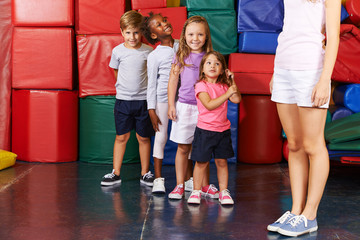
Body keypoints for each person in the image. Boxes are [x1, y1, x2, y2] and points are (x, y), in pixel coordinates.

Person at [267, 0, 341, 237]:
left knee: (313, 145)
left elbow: (334, 37)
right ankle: (296, 210)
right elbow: (291, 27)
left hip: (311, 70)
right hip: (283, 68)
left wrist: (324, 80)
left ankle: (310, 215)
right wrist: (276, 72)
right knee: (295, 144)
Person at [167, 16, 223, 200]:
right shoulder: (181, 55)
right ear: (184, 35)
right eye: (191, 34)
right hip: (184, 107)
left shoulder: (210, 58)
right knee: (183, 148)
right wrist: (170, 104)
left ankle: (204, 185)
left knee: (203, 149)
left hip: (204, 110)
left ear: (206, 36)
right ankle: (179, 185)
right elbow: (173, 80)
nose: (195, 38)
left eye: (200, 34)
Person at [100, 10, 155, 187]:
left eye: (136, 32)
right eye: (128, 32)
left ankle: (145, 173)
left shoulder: (148, 51)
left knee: (143, 138)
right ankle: (115, 173)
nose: (132, 36)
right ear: (122, 32)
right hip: (123, 102)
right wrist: (124, 90)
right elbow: (116, 72)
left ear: (142, 32)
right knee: (121, 137)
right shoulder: (118, 51)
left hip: (143, 102)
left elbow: (151, 74)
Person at [187, 51, 241, 206]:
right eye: (209, 63)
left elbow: (236, 99)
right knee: (201, 162)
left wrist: (232, 82)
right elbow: (209, 105)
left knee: (222, 162)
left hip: (222, 131)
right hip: (205, 131)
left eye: (217, 63)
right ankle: (196, 190)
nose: (213, 66)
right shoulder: (200, 86)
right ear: (203, 68)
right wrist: (227, 94)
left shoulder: (225, 86)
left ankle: (223, 191)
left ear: (223, 69)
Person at [141, 12, 180, 193]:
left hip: (182, 99)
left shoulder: (182, 45)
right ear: (154, 35)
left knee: (185, 138)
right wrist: (151, 109)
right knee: (161, 136)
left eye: (164, 20)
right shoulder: (155, 55)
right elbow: (151, 84)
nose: (164, 24)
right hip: (162, 100)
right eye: (159, 24)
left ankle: (186, 179)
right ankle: (158, 179)